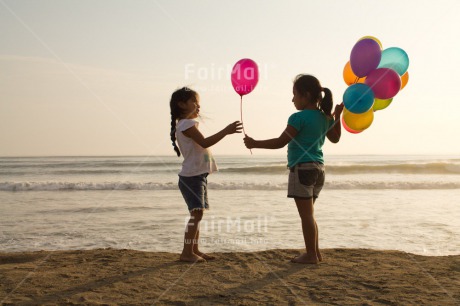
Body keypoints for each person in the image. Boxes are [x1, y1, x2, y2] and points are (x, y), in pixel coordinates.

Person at [244, 74, 343, 264]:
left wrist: (254, 143)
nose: (292, 99)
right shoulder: (325, 117)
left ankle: (311, 255)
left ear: (305, 95)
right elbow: (336, 138)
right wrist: (338, 116)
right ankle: (315, 253)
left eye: (294, 95)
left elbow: (281, 142)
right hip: (319, 169)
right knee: (310, 215)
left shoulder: (298, 118)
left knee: (306, 216)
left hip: (303, 168)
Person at [170, 87, 242, 262]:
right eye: (194, 102)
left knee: (198, 213)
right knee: (196, 214)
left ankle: (194, 249)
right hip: (192, 177)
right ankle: (187, 252)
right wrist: (226, 131)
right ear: (182, 104)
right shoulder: (186, 124)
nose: (198, 106)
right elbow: (205, 142)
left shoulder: (184, 124)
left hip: (197, 176)